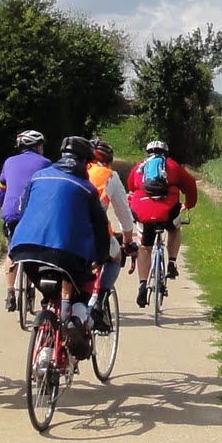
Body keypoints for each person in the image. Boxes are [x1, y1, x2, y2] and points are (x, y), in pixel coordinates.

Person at [6, 135, 110, 346]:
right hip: (64, 254)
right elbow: (99, 227)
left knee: (50, 292)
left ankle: (49, 327)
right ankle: (75, 320)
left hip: (24, 251)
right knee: (82, 284)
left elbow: (24, 211)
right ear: (84, 162)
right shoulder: (86, 188)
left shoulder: (38, 177)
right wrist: (101, 256)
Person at [127, 138, 198, 307]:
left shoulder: (139, 167)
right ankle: (172, 262)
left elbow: (130, 186)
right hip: (167, 209)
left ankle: (143, 284)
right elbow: (190, 185)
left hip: (143, 210)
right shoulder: (172, 165)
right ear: (165, 153)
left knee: (144, 248)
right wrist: (188, 205)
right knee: (174, 229)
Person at [0, 128, 51, 311]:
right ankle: (43, 290)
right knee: (39, 250)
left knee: (12, 250)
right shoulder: (46, 163)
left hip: (12, 214)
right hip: (35, 214)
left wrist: (2, 205)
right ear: (37, 146)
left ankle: (10, 292)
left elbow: (2, 189)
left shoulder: (9, 162)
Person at [86, 138, 136, 331]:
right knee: (115, 256)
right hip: (94, 234)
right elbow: (124, 214)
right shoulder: (108, 175)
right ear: (108, 160)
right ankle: (100, 299)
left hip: (61, 232)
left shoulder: (71, 170)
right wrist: (128, 241)